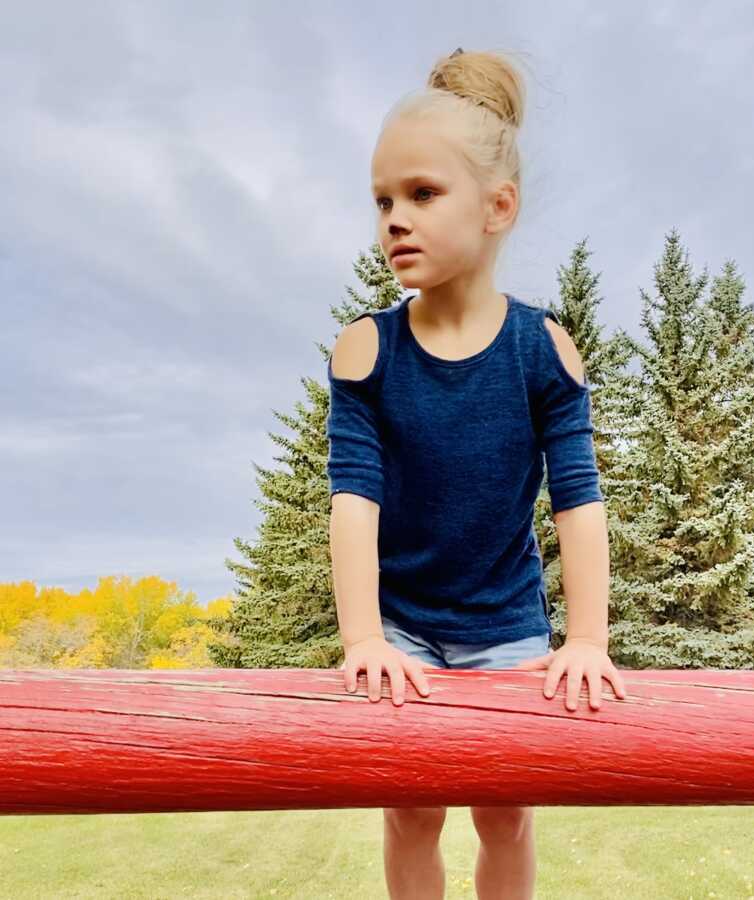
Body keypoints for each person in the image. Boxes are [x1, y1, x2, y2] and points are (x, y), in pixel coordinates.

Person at [327, 46, 627, 900]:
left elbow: (579, 502)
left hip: (508, 627)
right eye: (382, 199)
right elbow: (354, 503)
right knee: (411, 814)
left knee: (506, 814)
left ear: (498, 206)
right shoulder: (368, 350)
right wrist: (364, 638)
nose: (393, 218)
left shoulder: (543, 351)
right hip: (405, 627)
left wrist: (588, 640)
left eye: (422, 195)